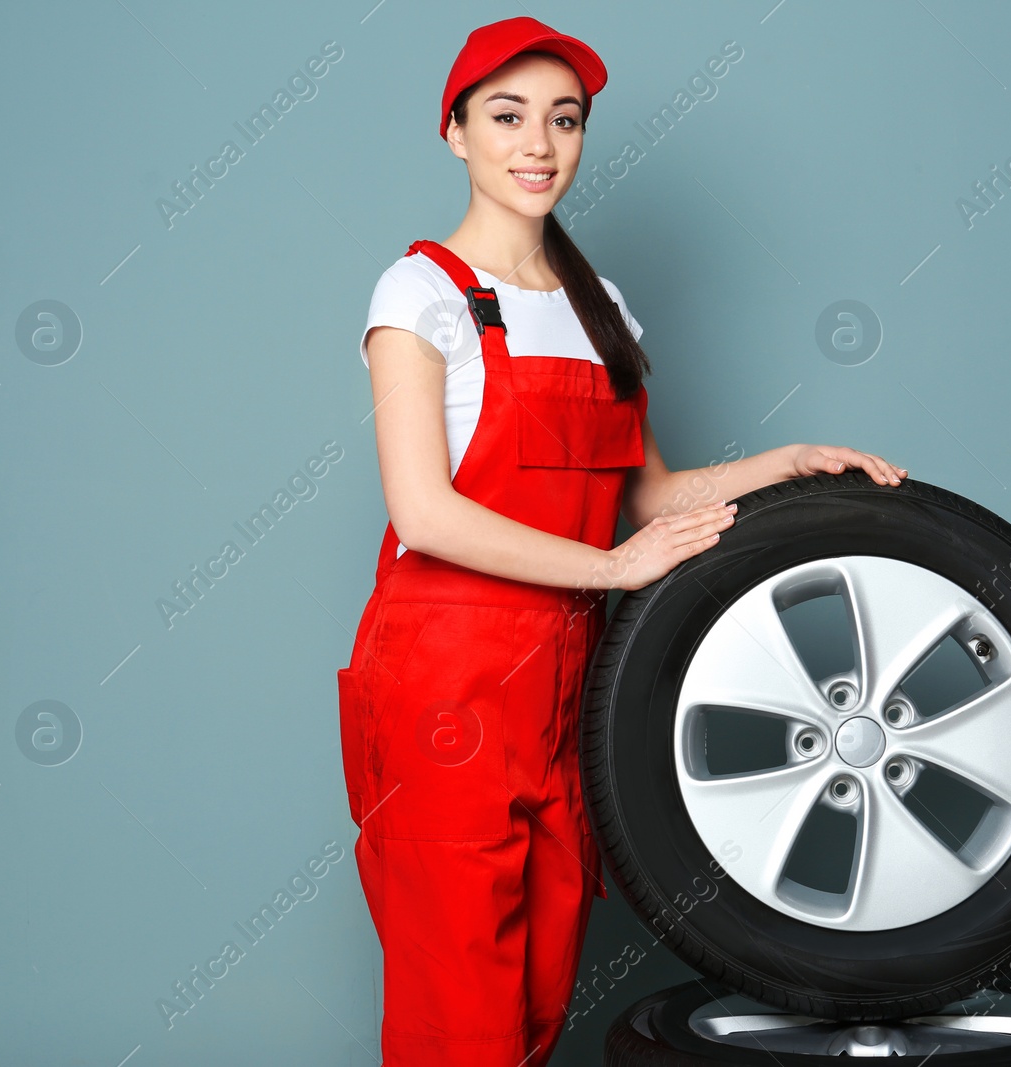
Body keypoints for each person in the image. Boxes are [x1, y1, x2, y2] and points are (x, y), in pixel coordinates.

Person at [337, 16, 907, 1066]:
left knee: (540, 996)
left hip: (568, 686)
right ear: (453, 132)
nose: (537, 144)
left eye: (564, 119)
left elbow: (645, 495)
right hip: (444, 685)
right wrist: (606, 569)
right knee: (457, 1016)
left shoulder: (604, 312)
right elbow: (424, 512)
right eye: (506, 117)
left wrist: (777, 464)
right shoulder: (417, 295)